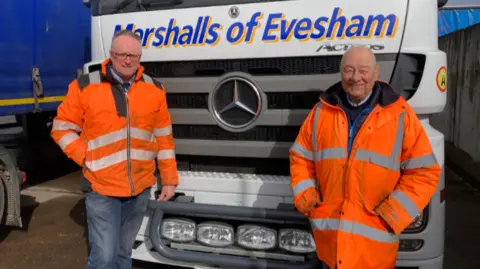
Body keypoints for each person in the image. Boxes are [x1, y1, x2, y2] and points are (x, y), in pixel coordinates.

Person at [289, 46, 441, 269]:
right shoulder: (321, 112)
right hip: (329, 247)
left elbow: (425, 171)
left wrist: (392, 214)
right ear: (341, 73)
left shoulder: (399, 114)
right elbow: (300, 157)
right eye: (349, 70)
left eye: (363, 70)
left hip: (374, 252)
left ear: (376, 73)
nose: (356, 78)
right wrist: (309, 202)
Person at [51, 30, 179, 269]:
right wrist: (86, 156)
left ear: (140, 57)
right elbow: (61, 129)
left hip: (139, 188)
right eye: (121, 54)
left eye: (133, 55)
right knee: (104, 259)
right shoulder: (85, 85)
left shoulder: (155, 89)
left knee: (123, 255)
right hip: (102, 188)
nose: (127, 60)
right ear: (111, 55)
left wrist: (169, 179)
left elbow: (163, 137)